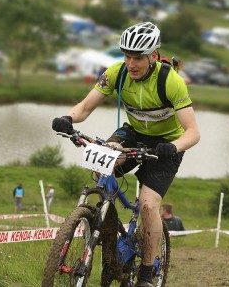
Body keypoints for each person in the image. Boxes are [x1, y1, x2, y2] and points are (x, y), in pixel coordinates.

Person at [52, 22, 200, 287]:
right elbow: (85, 106)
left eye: (138, 58)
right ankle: (105, 228)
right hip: (132, 135)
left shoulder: (171, 81)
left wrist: (174, 147)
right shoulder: (116, 73)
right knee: (101, 170)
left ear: (153, 56)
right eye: (127, 56)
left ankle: (145, 273)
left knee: (147, 205)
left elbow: (193, 132)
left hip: (166, 145)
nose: (131, 64)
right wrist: (68, 118)